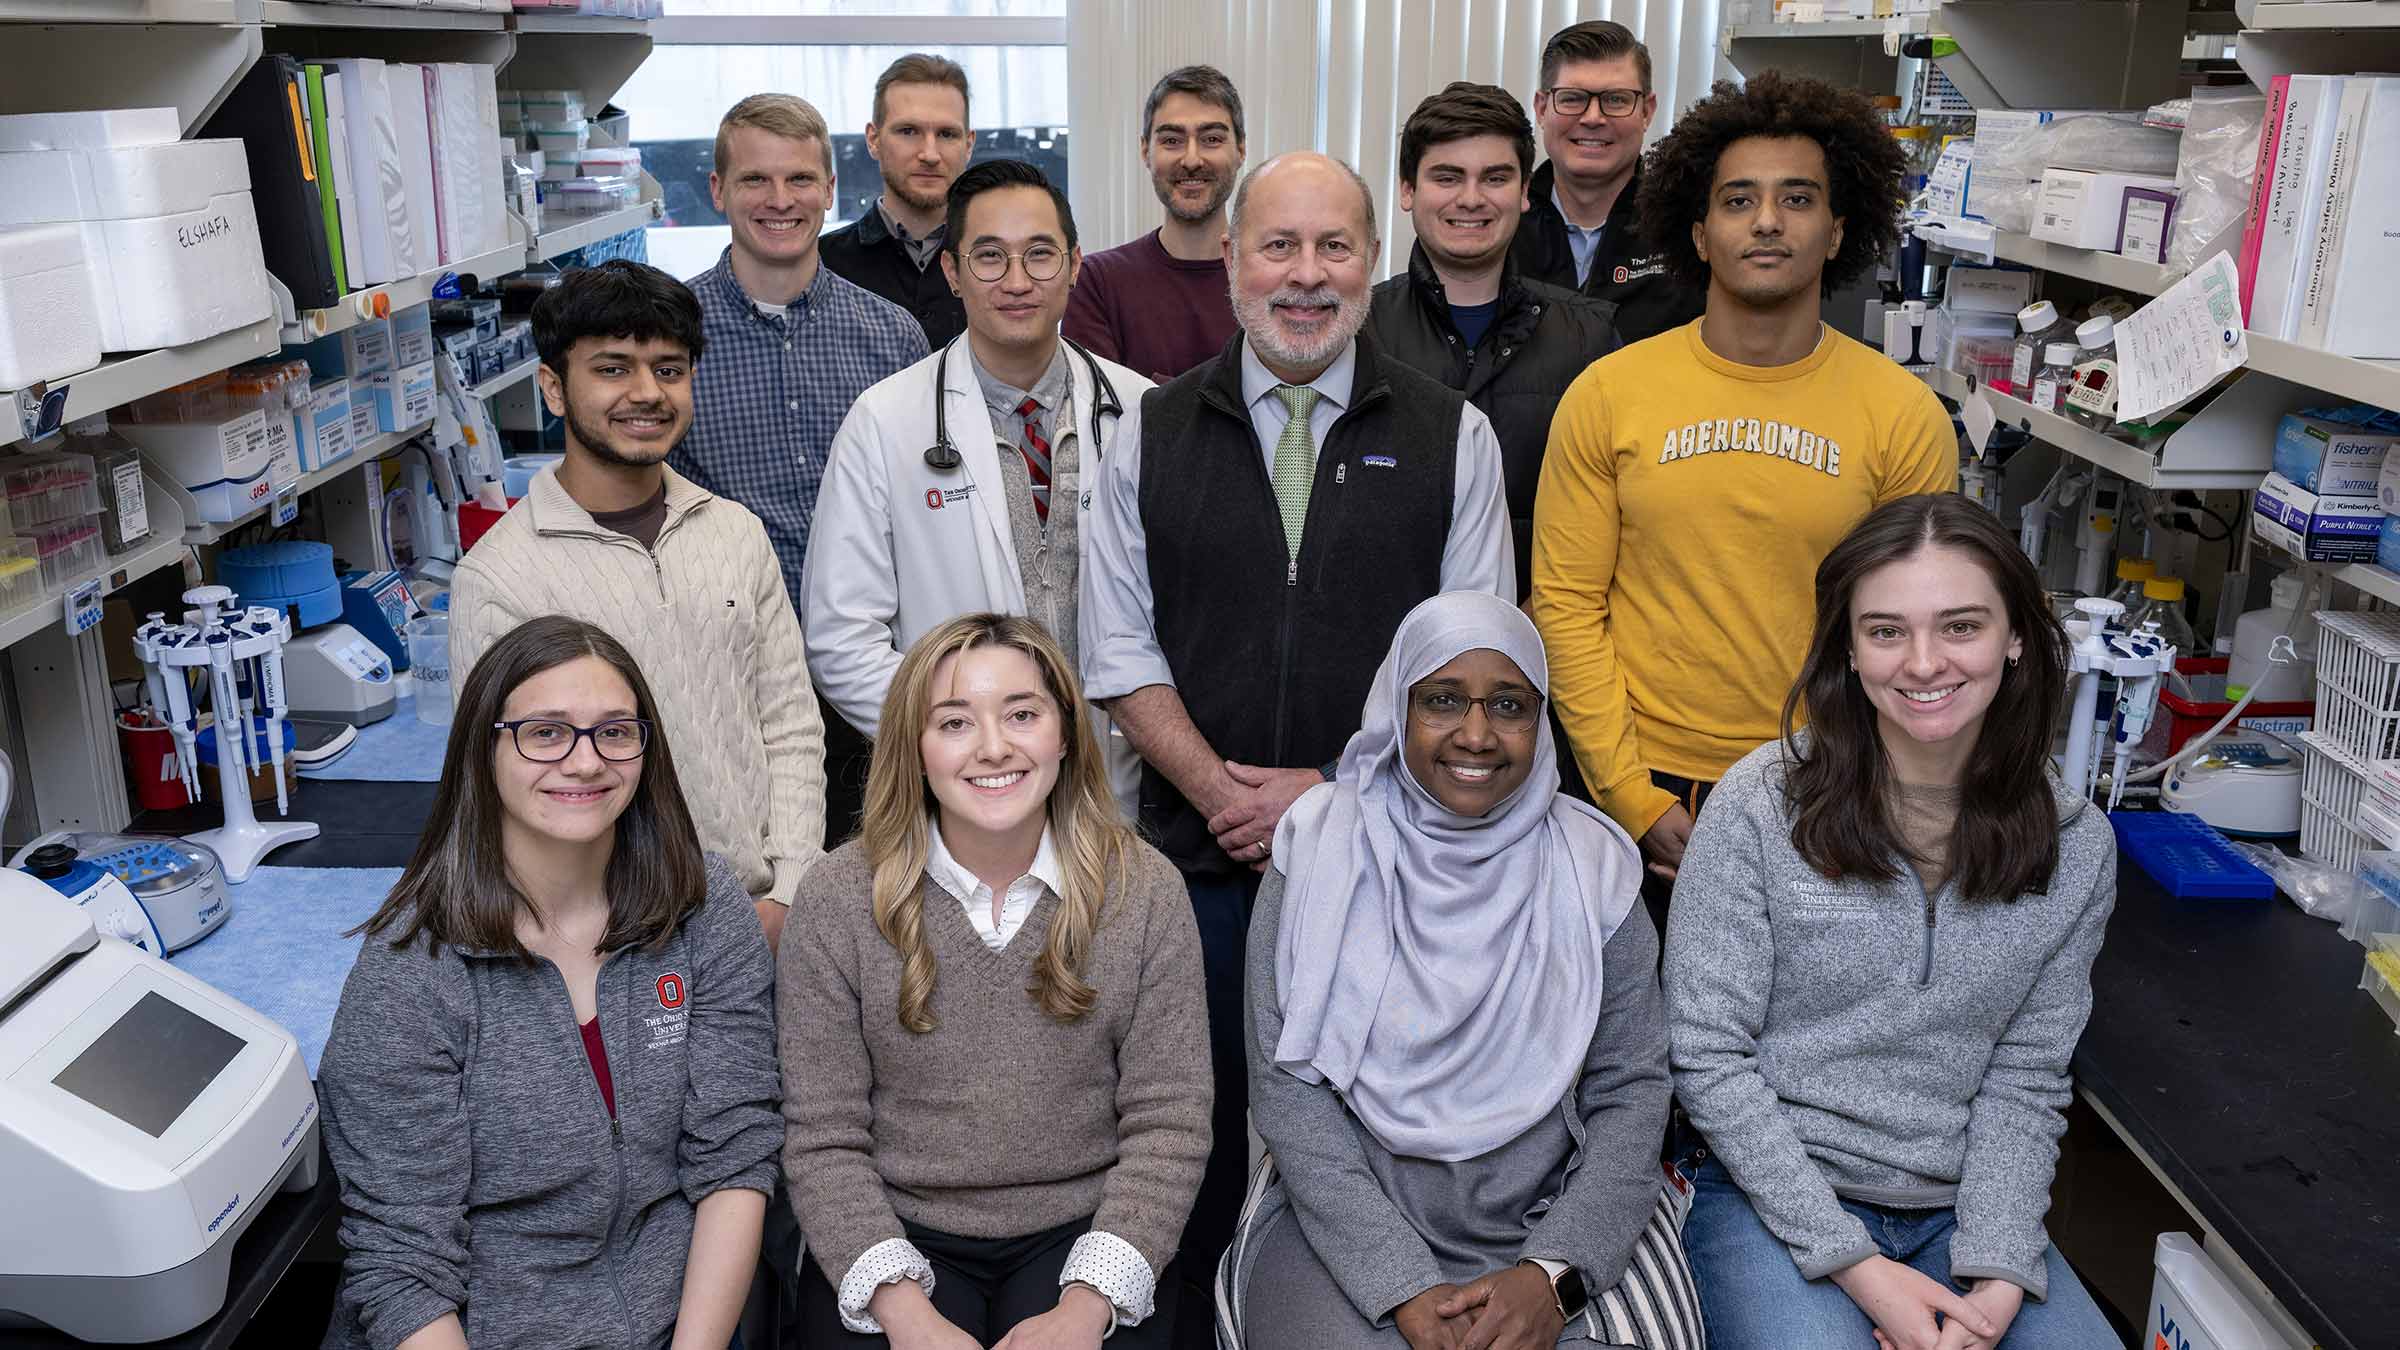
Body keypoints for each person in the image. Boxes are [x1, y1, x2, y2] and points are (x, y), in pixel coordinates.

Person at [1080, 149, 1515, 1321]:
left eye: (1333, 247)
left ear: (1373, 260)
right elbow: (1117, 651)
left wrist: (1327, 791)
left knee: (1368, 1146)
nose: (1306, 276)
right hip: (1193, 869)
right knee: (1192, 1140)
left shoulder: (1453, 436)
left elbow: (1472, 669)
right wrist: (1226, 795)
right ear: (1233, 260)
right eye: (1279, 245)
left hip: (1391, 865)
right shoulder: (1151, 430)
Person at [1665, 494, 2120, 1349]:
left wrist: (2000, 1270)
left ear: (2016, 637)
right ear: (1847, 645)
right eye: (1885, 631)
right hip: (1766, 1192)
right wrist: (1858, 1268)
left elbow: (2027, 1074)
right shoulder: (1760, 806)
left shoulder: (2075, 843)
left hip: (1961, 1209)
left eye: (1961, 626)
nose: (1923, 663)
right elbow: (1707, 1055)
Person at [1219, 591, 1702, 1350]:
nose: (1476, 735)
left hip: (1556, 1215)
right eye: (1442, 700)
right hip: (1352, 1217)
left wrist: (1553, 1275)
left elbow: (1632, 1091)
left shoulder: (1594, 868)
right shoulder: (1318, 849)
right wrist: (1400, 1282)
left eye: (1509, 705)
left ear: (1541, 722)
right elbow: (1288, 1095)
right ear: (1397, 708)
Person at [1529, 71, 1957, 923]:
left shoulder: (1903, 414)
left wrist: (1852, 785)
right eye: (1738, 200)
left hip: (1824, 791)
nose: (1767, 221)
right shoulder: (1608, 395)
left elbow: (1916, 634)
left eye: (1797, 198)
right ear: (1699, 232)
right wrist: (1630, 796)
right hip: (1632, 787)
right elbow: (1566, 606)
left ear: (1838, 231)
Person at [319, 615, 782, 1350]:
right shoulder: (412, 969)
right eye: (545, 733)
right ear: (484, 750)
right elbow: (402, 1267)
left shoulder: (701, 905)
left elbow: (735, 1153)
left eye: (614, 732)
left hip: (682, 1315)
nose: (585, 762)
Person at [779, 613, 1210, 1350]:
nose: (993, 747)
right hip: (894, 1226)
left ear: (1065, 733)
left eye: (1022, 714)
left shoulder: (1144, 890)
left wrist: (1086, 1306)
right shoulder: (837, 897)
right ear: (913, 748)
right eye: (954, 722)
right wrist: (907, 1315)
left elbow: (1169, 1122)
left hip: (1087, 1226)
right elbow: (823, 1138)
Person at [452, 260, 825, 951]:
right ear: (553, 389)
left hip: (759, 914)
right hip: (609, 936)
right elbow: (500, 788)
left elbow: (789, 725)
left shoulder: (736, 534)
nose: (647, 392)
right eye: (613, 369)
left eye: (669, 369)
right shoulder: (499, 577)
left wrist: (790, 890)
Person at [804, 159, 1150, 810]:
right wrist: (963, 742)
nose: (1017, 281)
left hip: (1114, 781)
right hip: (960, 793)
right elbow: (841, 638)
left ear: (1075, 265)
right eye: (989, 257)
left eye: (1040, 254)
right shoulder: (885, 421)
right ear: (952, 272)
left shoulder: (1140, 411)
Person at [673, 93, 927, 849]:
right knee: (753, 882)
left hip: (874, 671)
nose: (779, 200)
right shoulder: (672, 340)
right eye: (755, 179)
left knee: (878, 880)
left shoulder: (891, 336)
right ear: (718, 190)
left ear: (830, 190)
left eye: (800, 179)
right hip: (731, 674)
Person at [1367, 80, 1620, 600]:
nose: (1471, 198)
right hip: (1384, 637)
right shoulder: (1359, 333)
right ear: (1407, 190)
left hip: (1546, 636)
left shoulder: (1591, 339)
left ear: (1525, 193)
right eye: (1447, 176)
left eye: (1495, 177)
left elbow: (1620, 523)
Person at [1510, 20, 1704, 343]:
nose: (1593, 118)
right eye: (1572, 98)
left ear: (1647, 111)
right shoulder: (1500, 223)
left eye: (1616, 99)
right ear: (1542, 109)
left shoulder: (1688, 232)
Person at [1062, 66, 1245, 381]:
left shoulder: (1271, 279)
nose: (1191, 160)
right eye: (1172, 140)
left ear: (1240, 149)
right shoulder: (1097, 283)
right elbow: (1101, 408)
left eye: (1212, 139)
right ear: (1145, 150)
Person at [821, 53, 974, 351]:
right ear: (873, 140)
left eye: (946, 134)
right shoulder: (820, 265)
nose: (930, 154)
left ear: (968, 145)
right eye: (908, 131)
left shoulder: (999, 265)